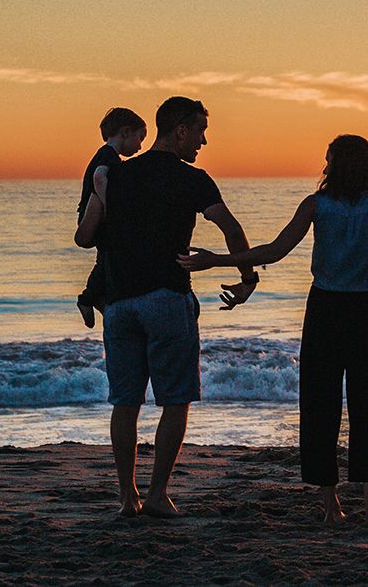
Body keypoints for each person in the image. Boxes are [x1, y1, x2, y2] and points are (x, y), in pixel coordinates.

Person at [177, 135, 368, 527]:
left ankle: (332, 507)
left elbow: (274, 251)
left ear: (334, 164)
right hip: (363, 309)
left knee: (320, 404)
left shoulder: (319, 205)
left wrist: (220, 260)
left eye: (328, 159)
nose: (324, 164)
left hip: (327, 308)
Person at [74, 96, 260, 518]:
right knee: (175, 400)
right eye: (199, 131)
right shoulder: (192, 179)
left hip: (119, 303)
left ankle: (127, 498)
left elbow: (87, 236)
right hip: (166, 298)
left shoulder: (114, 175)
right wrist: (248, 279)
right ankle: (157, 495)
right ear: (179, 130)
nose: (203, 141)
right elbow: (230, 227)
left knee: (126, 403)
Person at [75, 107, 147, 328]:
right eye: (140, 137)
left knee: (107, 257)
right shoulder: (108, 155)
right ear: (126, 132)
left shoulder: (108, 155)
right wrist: (113, 207)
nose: (140, 146)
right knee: (108, 257)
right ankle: (89, 297)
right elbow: (99, 178)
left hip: (97, 216)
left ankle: (94, 297)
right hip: (95, 217)